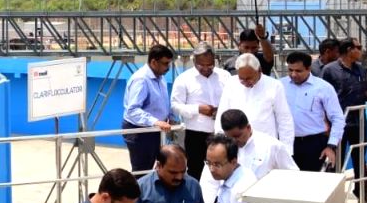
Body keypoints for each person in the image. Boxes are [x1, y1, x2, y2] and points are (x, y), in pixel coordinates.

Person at [322, 37, 367, 203]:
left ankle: (362, 195)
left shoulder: (360, 69)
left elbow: (365, 89)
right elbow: (322, 97)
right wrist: (325, 122)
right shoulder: (329, 70)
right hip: (338, 123)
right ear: (348, 50)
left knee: (360, 158)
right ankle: (334, 197)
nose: (361, 50)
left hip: (358, 120)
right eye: (358, 47)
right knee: (336, 161)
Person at [171, 43, 230, 181]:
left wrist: (220, 110)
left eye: (209, 65)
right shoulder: (184, 79)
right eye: (200, 65)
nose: (205, 69)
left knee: (223, 170)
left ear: (215, 60)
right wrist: (197, 109)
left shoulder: (225, 76)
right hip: (196, 134)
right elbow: (175, 105)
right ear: (194, 61)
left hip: (221, 132)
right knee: (196, 171)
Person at [282, 51, 347, 172]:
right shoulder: (280, 85)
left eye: (298, 71)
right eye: (290, 70)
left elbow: (338, 118)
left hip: (314, 145)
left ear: (308, 68)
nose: (293, 74)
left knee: (314, 184)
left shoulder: (323, 87)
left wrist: (331, 146)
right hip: (287, 143)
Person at [216, 53, 294, 151]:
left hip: (265, 146)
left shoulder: (274, 86)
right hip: (236, 145)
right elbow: (222, 115)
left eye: (249, 78)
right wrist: (220, 144)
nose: (245, 82)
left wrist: (286, 149)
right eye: (241, 78)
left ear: (259, 71)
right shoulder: (231, 83)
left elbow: (284, 119)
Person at [123, 44, 175, 173]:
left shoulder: (160, 77)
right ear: (153, 62)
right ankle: (139, 193)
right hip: (140, 131)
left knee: (158, 169)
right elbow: (132, 110)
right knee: (142, 171)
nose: (168, 68)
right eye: (165, 64)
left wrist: (169, 117)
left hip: (155, 129)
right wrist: (156, 121)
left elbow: (160, 102)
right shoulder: (141, 80)